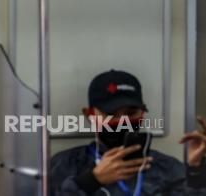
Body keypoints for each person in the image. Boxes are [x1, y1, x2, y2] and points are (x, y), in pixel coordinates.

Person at [50, 69, 206, 195]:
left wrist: (196, 169)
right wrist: (92, 180)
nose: (122, 122)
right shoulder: (65, 165)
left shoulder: (166, 167)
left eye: (131, 113)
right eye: (111, 114)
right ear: (89, 115)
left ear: (142, 113)